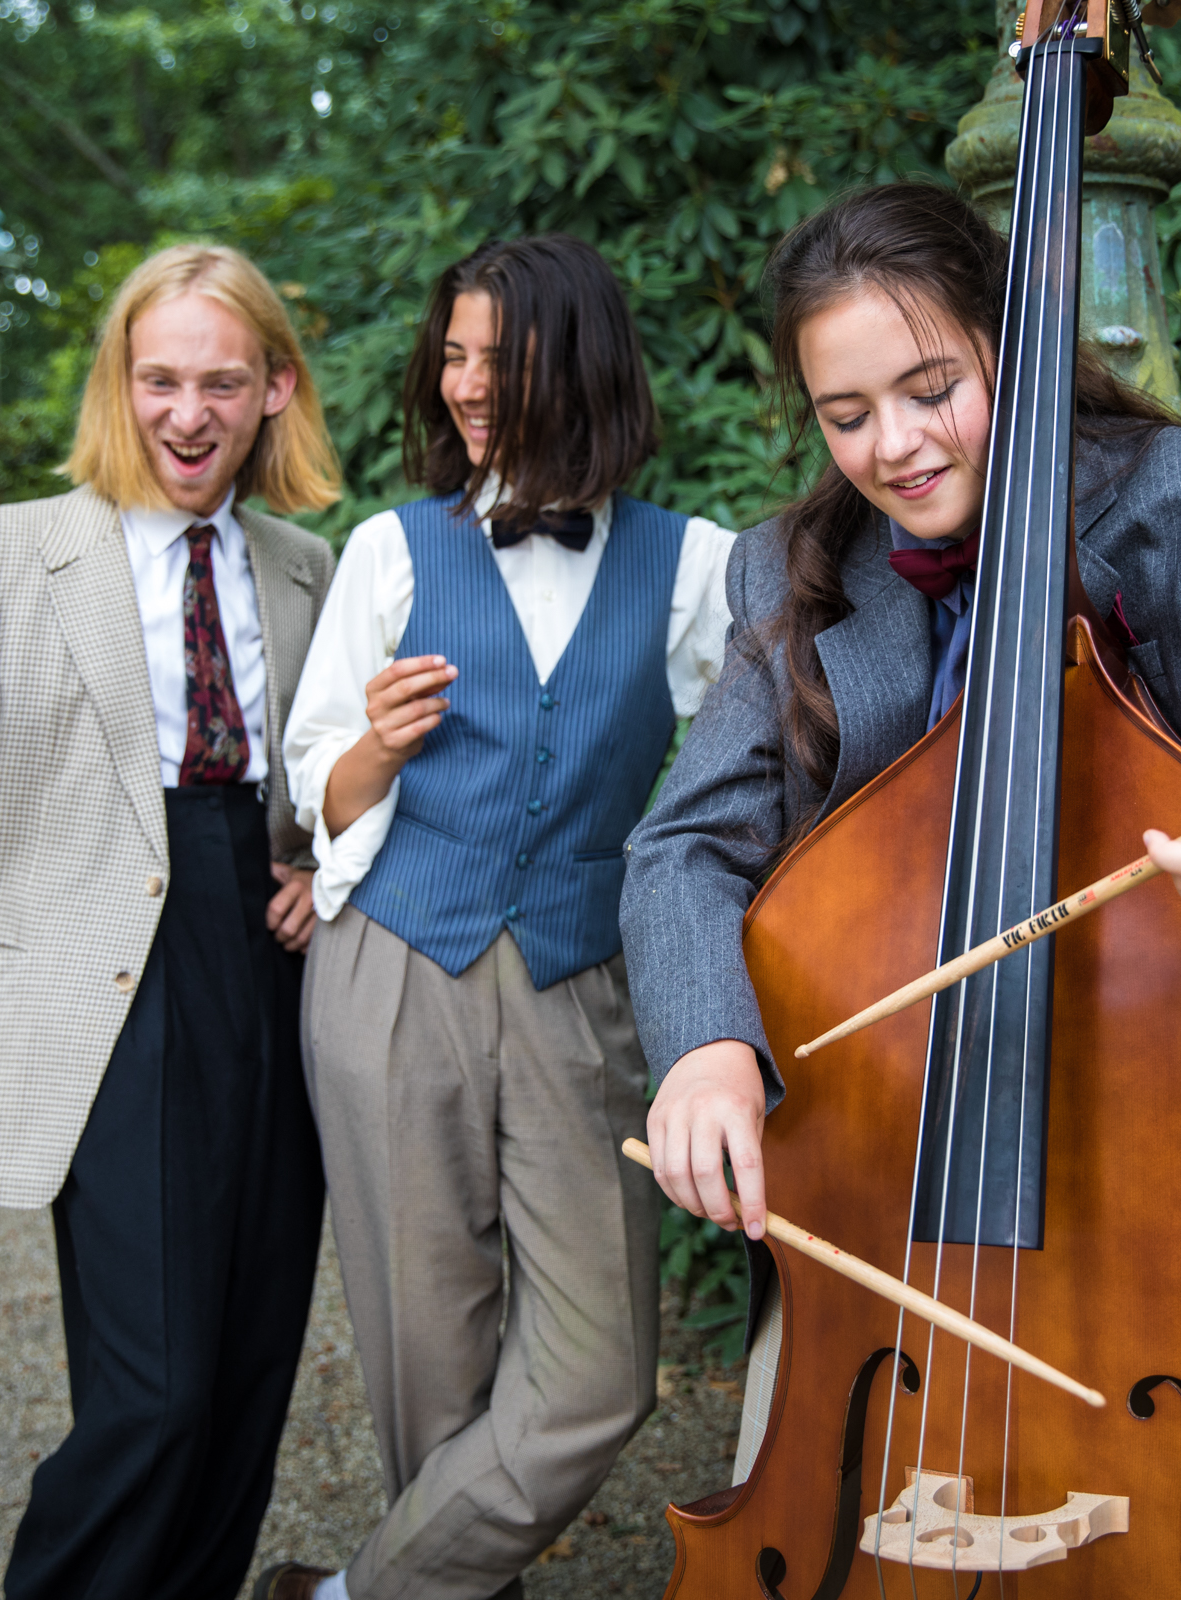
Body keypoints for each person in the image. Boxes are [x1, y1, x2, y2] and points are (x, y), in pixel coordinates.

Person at [620, 183, 1181, 1472]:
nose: (894, 446)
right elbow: (682, 848)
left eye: (932, 387)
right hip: (885, 1175)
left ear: (1015, 343)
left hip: (1154, 1112)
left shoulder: (1174, 498)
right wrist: (706, 1046)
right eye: (846, 414)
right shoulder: (789, 564)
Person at [0, 243, 341, 1600]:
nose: (188, 412)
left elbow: (340, 771)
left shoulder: (311, 564)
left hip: (269, 964)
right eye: (159, 379)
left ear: (275, 389)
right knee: (153, 1391)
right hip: (105, 977)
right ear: (121, 384)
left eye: (222, 380)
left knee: (246, 1369)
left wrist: (331, 865)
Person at [264, 234, 736, 1600]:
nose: (468, 384)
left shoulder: (692, 566)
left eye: (500, 355)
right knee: (429, 1345)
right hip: (390, 965)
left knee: (599, 1372)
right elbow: (316, 783)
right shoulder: (392, 550)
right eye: (454, 354)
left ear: (575, 361)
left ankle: (362, 1594)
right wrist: (378, 755)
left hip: (579, 983)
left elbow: (748, 775)